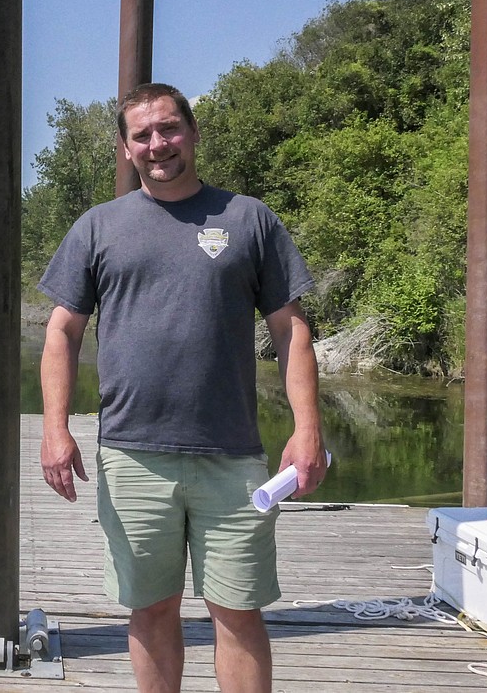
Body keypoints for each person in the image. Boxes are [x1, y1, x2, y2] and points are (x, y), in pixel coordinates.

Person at [37, 82, 327, 693]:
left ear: (192, 133)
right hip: (132, 456)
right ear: (125, 147)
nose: (156, 144)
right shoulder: (98, 227)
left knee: (238, 612)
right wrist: (55, 428)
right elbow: (61, 332)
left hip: (234, 459)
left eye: (168, 129)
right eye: (141, 135)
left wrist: (307, 430)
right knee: (151, 609)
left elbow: (291, 330)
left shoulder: (248, 219)